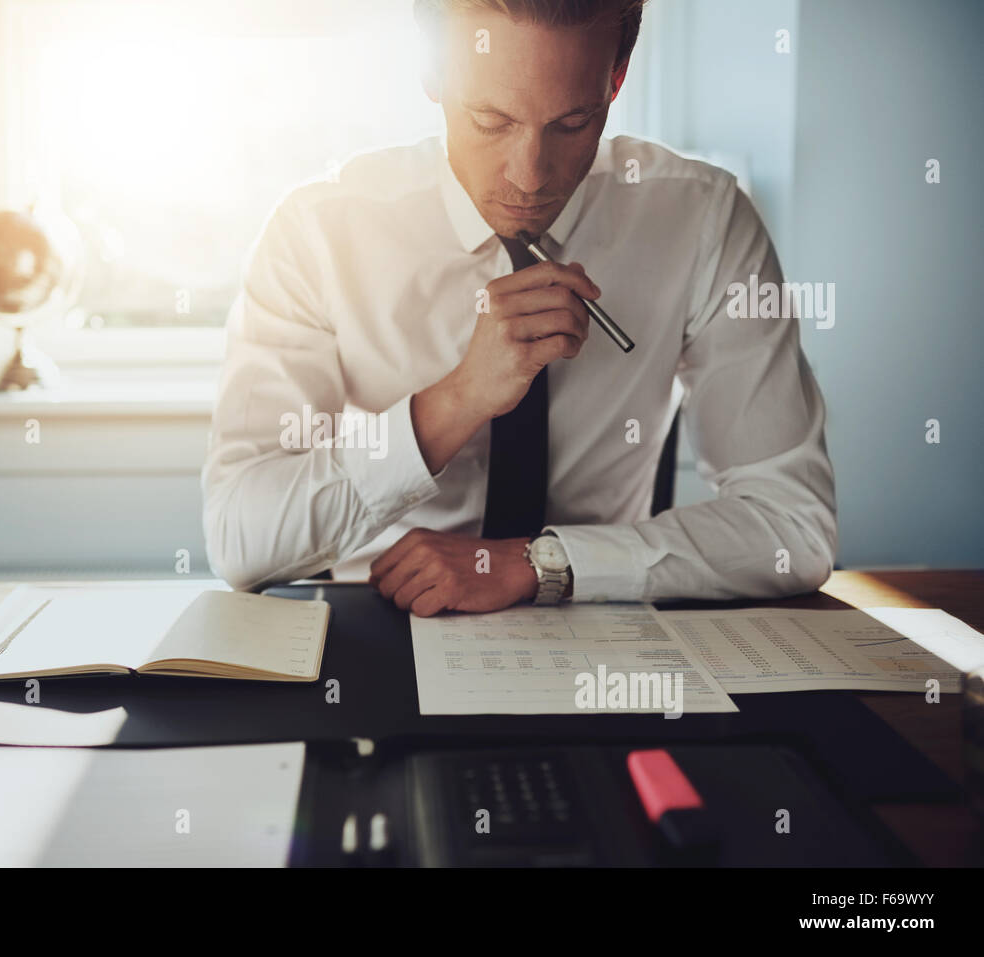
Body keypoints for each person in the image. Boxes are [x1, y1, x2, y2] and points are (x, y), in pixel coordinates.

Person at [202, 0, 837, 616]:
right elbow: (240, 539)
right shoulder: (317, 231)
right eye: (490, 120)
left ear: (616, 81)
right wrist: (456, 401)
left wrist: (542, 565)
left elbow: (793, 527)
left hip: (600, 635)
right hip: (380, 629)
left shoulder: (703, 219)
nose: (530, 177)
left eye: (573, 123)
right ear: (433, 73)